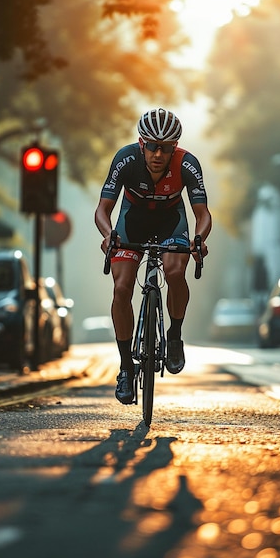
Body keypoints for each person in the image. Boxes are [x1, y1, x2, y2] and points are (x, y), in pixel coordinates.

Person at [95, 107, 212, 404]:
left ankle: (174, 336)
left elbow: (202, 213)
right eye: (152, 146)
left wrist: (199, 239)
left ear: (175, 148)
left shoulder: (187, 164)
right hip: (131, 221)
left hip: (170, 220)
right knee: (121, 288)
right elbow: (103, 210)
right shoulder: (126, 158)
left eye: (166, 148)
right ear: (141, 143)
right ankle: (125, 367)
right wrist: (109, 235)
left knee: (174, 272)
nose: (158, 154)